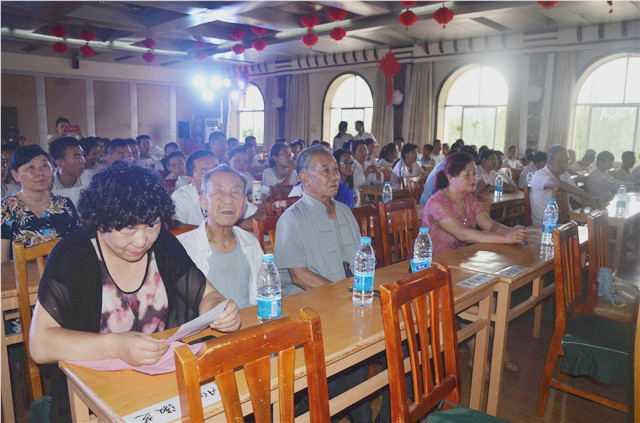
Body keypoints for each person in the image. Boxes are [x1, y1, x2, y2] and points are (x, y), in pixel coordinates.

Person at [29, 161, 241, 421]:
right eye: (128, 228)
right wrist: (117, 345)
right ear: (100, 221)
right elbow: (40, 344)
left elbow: (207, 295)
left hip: (162, 382)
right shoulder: (74, 254)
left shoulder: (163, 244)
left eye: (151, 225)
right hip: (92, 393)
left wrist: (221, 311)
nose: (141, 241)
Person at [274, 145, 360, 296]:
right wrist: (342, 294)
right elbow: (299, 277)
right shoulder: (291, 219)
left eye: (336, 170)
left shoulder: (344, 211)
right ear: (305, 178)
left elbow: (360, 257)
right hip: (313, 299)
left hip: (350, 291)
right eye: (326, 170)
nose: (334, 177)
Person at [178, 165, 263, 309]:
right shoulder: (183, 248)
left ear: (243, 203)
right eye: (219, 192)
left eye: (235, 192)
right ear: (203, 202)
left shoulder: (249, 242)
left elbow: (264, 292)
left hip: (250, 325)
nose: (228, 200)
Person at [422, 152, 528, 257]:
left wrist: (514, 232)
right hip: (432, 263)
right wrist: (507, 238)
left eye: (475, 173)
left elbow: (491, 226)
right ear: (450, 178)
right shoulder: (437, 203)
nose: (473, 178)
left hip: (460, 258)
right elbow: (462, 234)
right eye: (467, 174)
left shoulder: (469, 200)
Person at [1, 145, 79, 263]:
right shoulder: (6, 209)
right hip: (23, 279)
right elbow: (2, 262)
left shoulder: (64, 205)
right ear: (16, 175)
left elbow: (77, 249)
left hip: (63, 278)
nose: (40, 172)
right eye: (31, 167)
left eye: (45, 165)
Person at [530, 145, 594, 224]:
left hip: (565, 220)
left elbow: (575, 194)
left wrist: (590, 202)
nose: (566, 165)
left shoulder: (565, 175)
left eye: (567, 161)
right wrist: (583, 193)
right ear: (549, 162)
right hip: (544, 224)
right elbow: (558, 184)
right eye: (561, 162)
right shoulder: (539, 175)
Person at [171, 150, 219, 228]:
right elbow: (178, 226)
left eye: (217, 169)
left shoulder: (230, 191)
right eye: (204, 172)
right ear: (191, 179)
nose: (214, 176)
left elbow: (246, 218)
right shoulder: (181, 196)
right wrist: (214, 231)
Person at [49, 137, 88, 208]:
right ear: (60, 163)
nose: (83, 161)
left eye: (82, 156)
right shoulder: (46, 186)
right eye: (76, 157)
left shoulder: (90, 181)